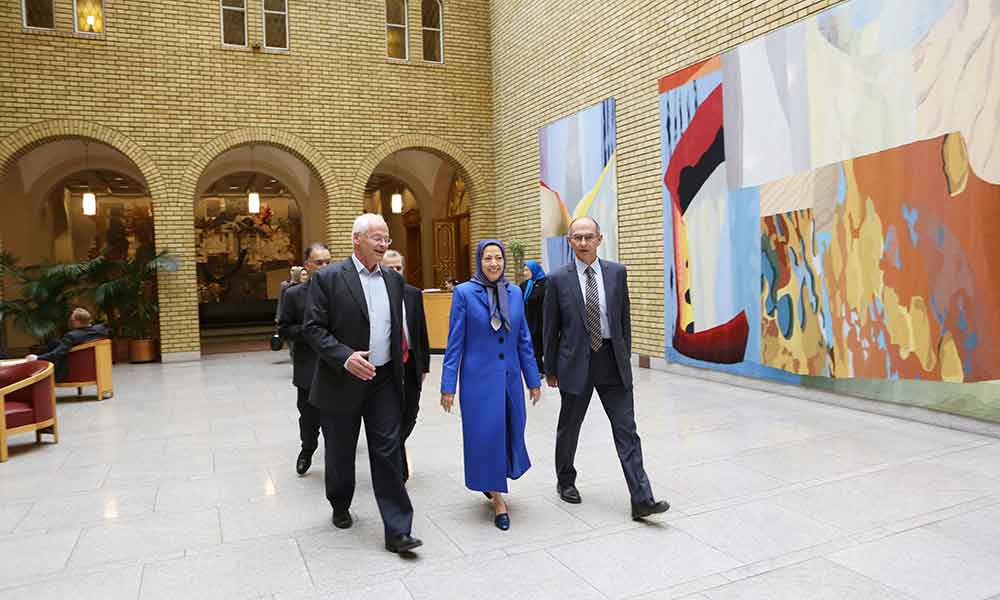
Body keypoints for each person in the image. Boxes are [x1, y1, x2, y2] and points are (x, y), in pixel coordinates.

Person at [303, 213, 422, 554]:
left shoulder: (393, 280)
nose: (384, 244)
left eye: (386, 238)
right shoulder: (327, 278)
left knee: (387, 450)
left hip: (383, 379)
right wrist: (344, 356)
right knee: (340, 452)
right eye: (377, 238)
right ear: (356, 239)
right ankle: (340, 503)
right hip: (341, 379)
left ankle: (398, 529)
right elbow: (313, 328)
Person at [542, 217, 670, 520]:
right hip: (575, 363)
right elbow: (550, 328)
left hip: (612, 361)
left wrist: (624, 356)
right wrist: (549, 367)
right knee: (570, 427)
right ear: (570, 242)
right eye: (577, 238)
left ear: (599, 239)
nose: (583, 243)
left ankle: (641, 498)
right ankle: (566, 480)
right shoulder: (558, 279)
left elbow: (623, 318)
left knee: (627, 431)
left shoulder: (616, 273)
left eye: (589, 237)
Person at [440, 240, 542, 531]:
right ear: (479, 261)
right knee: (488, 436)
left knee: (511, 432)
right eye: (488, 258)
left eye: (498, 258)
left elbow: (523, 339)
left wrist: (532, 379)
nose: (494, 263)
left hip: (509, 380)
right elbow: (455, 343)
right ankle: (498, 500)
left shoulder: (515, 292)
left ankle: (492, 480)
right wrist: (448, 385)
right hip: (478, 383)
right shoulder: (464, 293)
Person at [278, 243, 332, 476]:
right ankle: (307, 449)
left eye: (328, 262)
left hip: (335, 365)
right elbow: (284, 329)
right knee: (308, 417)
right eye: (319, 262)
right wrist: (310, 332)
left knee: (336, 418)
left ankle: (336, 458)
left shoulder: (339, 290)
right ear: (307, 265)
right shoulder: (293, 295)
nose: (324, 266)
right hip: (308, 366)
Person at [381, 250, 430, 482]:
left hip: (411, 361)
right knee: (390, 412)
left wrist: (425, 365)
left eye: (397, 268)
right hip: (387, 364)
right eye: (388, 268)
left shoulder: (413, 294)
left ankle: (397, 443)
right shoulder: (375, 296)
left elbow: (421, 330)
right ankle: (397, 458)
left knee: (411, 412)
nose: (394, 272)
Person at [26, 308, 109, 381]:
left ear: (78, 321)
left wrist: (38, 358)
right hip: (95, 366)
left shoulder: (72, 336)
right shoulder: (101, 329)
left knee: (53, 347)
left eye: (72, 321)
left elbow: (57, 354)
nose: (71, 323)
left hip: (74, 368)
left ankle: (34, 362)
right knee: (55, 343)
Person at [520, 260, 547, 375]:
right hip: (530, 321)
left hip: (544, 321)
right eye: (524, 270)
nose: (524, 272)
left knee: (546, 346)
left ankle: (551, 368)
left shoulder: (546, 283)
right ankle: (539, 370)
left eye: (527, 270)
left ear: (534, 270)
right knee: (534, 348)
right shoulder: (524, 285)